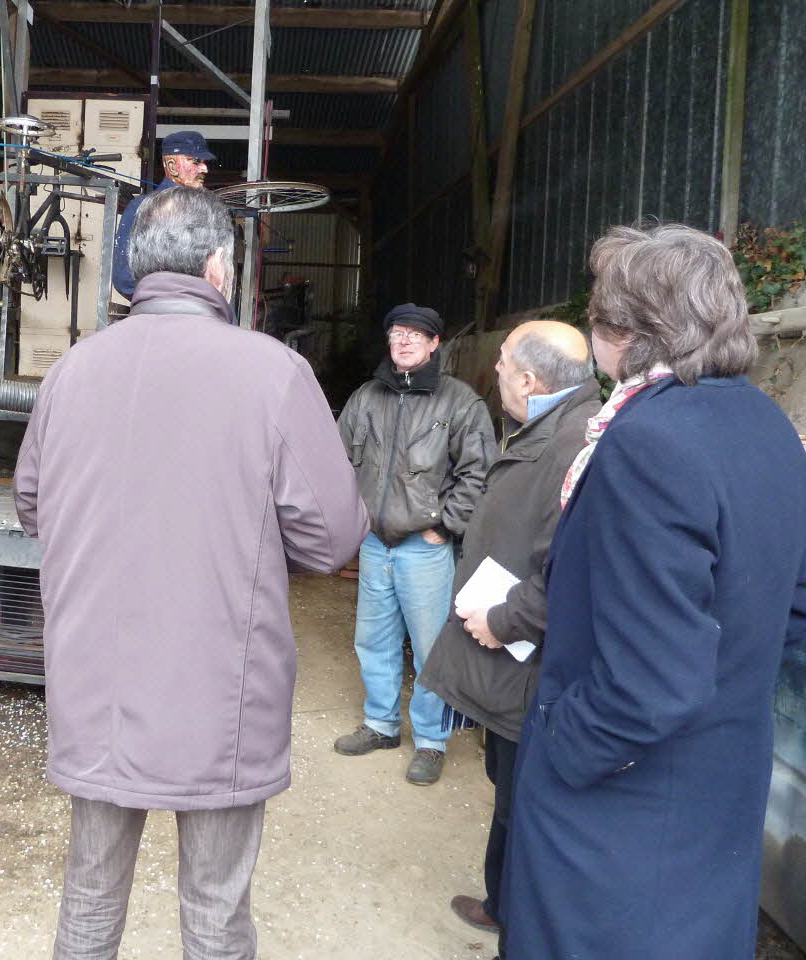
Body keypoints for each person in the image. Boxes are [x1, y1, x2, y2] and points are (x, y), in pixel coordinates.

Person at [14, 186, 369, 959]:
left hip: (97, 686)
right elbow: (330, 537)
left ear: (136, 270)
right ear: (219, 267)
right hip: (219, 693)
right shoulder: (272, 371)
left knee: (89, 892)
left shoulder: (72, 371)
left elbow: (33, 506)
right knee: (214, 909)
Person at [501, 224, 806, 960]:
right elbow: (793, 610)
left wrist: (561, 749)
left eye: (599, 318)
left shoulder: (648, 441)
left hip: (621, 817)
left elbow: (651, 684)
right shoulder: (764, 422)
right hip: (720, 794)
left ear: (629, 333)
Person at [418, 320, 600, 950]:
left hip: (528, 659)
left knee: (526, 801)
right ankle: (503, 905)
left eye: (500, 363)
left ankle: (520, 928)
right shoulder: (551, 428)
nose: (493, 371)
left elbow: (574, 566)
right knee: (509, 789)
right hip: (511, 662)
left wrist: (506, 620)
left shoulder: (577, 442)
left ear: (528, 378)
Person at [333, 304, 495, 785]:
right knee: (373, 641)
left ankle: (430, 740)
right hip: (375, 544)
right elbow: (337, 460)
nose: (403, 341)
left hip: (424, 547)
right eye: (396, 333)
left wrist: (445, 527)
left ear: (433, 343)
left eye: (415, 335)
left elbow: (479, 472)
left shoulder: (459, 403)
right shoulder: (366, 398)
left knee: (430, 648)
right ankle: (381, 725)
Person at [111, 130, 215, 299]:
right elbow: (124, 277)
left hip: (195, 312)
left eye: (203, 162)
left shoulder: (207, 212)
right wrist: (163, 302)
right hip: (160, 312)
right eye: (195, 161)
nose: (204, 168)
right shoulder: (142, 208)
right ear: (172, 166)